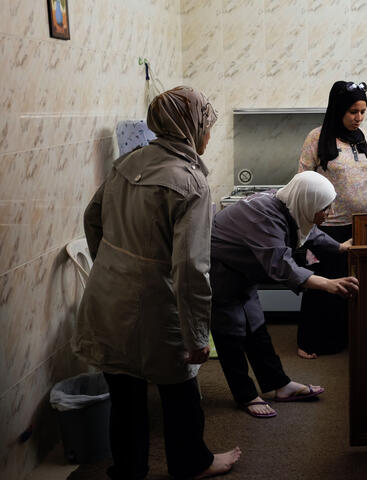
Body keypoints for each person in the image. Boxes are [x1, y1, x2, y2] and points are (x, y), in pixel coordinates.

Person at [72, 86, 241, 479]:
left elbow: (91, 217)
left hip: (106, 295)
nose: (209, 135)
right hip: (153, 302)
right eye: (206, 126)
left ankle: (129, 470)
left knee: (124, 392)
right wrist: (198, 333)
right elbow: (191, 267)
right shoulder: (191, 183)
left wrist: (111, 267)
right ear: (190, 127)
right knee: (180, 390)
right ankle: (192, 464)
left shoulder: (128, 162)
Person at [210, 171, 359, 418]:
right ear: (308, 202)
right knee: (231, 334)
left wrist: (340, 247)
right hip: (220, 270)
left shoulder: (289, 205)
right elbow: (283, 266)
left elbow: (310, 231)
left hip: (242, 271)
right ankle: (245, 395)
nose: (329, 213)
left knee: (256, 327)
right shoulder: (265, 217)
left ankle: (280, 385)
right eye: (325, 208)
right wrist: (329, 284)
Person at [296, 80, 367, 359]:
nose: (358, 117)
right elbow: (302, 180)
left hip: (360, 223)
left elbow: (362, 175)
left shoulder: (361, 137)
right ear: (338, 110)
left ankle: (340, 339)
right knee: (322, 284)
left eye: (362, 111)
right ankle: (308, 342)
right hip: (328, 226)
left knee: (349, 284)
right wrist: (308, 217)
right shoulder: (317, 138)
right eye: (352, 112)